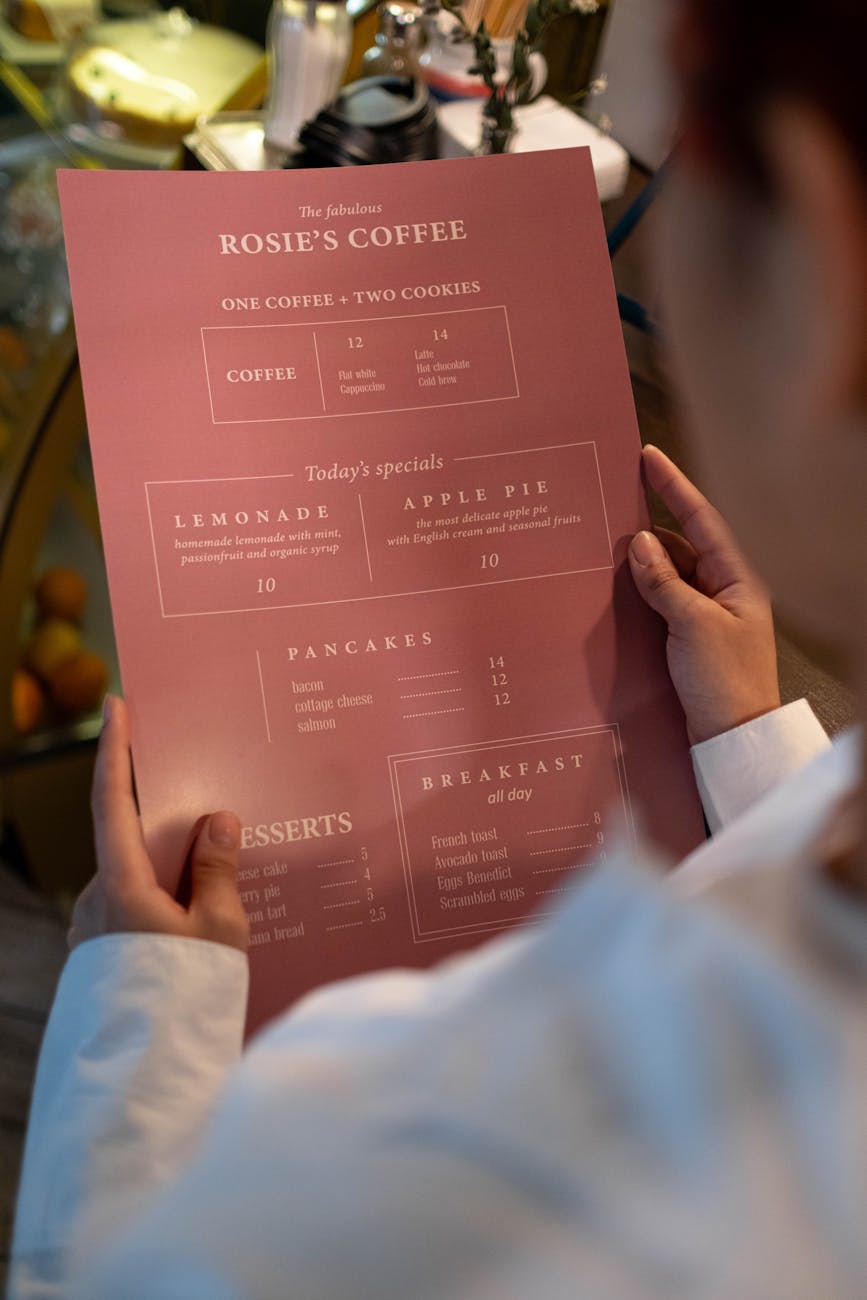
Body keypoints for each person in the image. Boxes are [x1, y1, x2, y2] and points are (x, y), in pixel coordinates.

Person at [9, 0, 866, 1292]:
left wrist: (143, 1016)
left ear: (825, 239)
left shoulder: (403, 1161)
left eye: (681, 145)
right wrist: (752, 745)